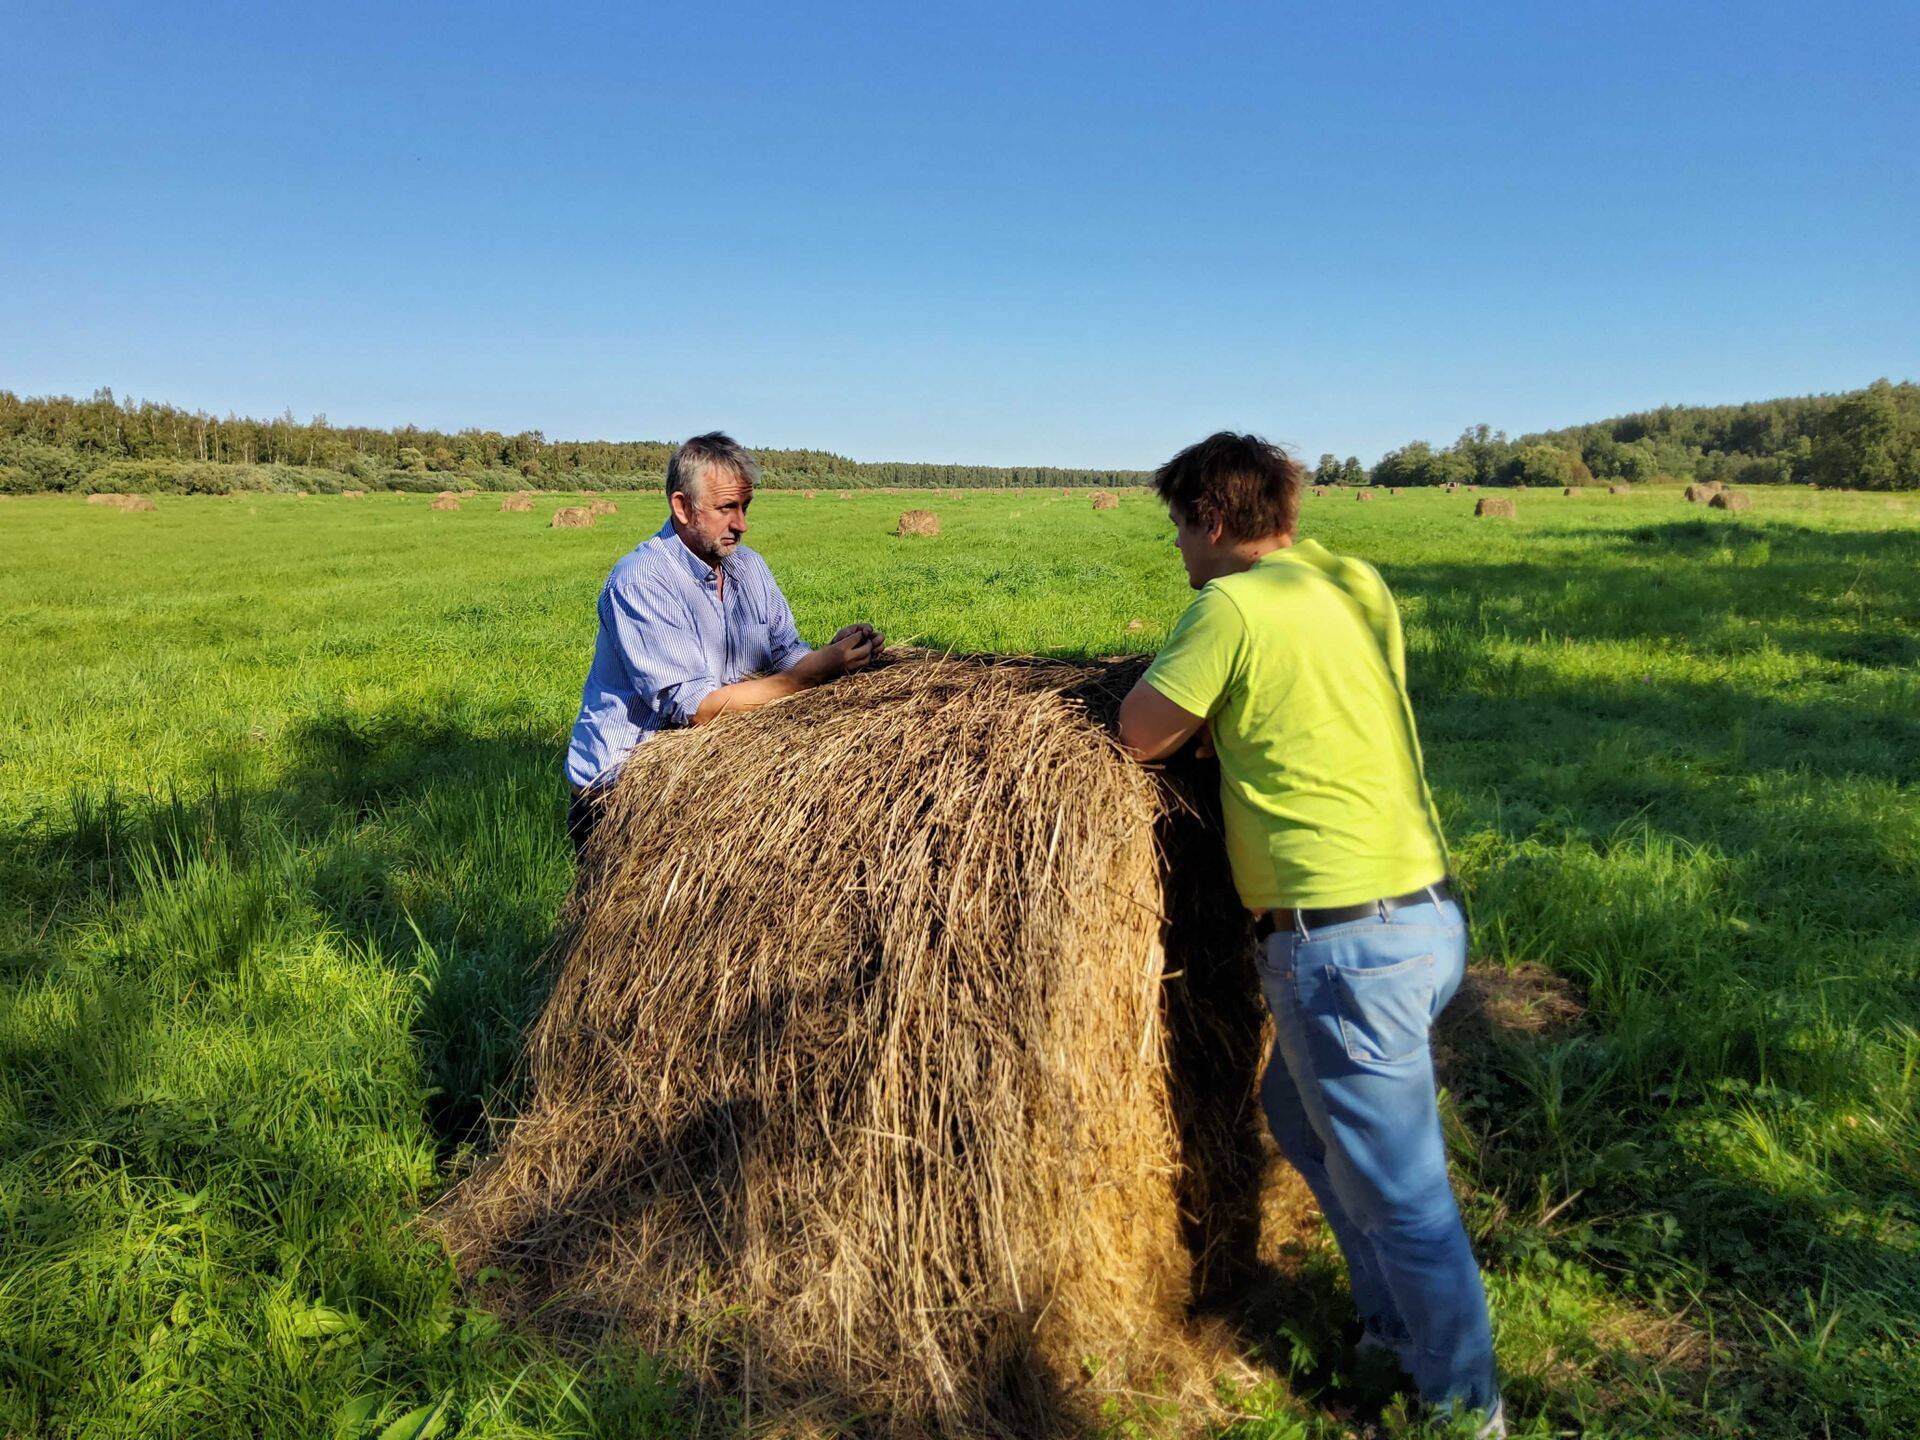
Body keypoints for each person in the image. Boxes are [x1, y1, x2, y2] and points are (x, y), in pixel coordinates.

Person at [1115, 432, 1502, 1434]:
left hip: (1342, 945)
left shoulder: (1229, 606)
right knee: (1297, 1116)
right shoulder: (1353, 582)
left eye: (1179, 532)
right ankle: (1390, 1329)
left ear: (1209, 520)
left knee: (1408, 1195)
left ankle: (1466, 1409)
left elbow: (1139, 734)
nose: (1179, 555)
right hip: (1424, 913)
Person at [564, 431, 884, 855]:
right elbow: (696, 709)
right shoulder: (642, 581)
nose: (742, 524)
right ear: (681, 507)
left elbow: (786, 651)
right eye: (726, 508)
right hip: (622, 789)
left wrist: (836, 655)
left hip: (703, 770)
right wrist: (806, 677)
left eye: (746, 507)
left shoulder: (748, 567)